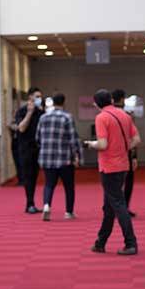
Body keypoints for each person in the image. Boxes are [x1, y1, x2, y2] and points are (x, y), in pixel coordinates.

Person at [84, 88, 138, 255]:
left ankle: (131, 243)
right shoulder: (125, 115)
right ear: (111, 100)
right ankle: (101, 242)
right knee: (109, 205)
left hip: (109, 167)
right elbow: (136, 139)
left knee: (118, 204)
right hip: (123, 165)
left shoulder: (102, 117)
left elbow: (102, 144)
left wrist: (90, 144)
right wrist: (122, 149)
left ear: (97, 104)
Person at [35, 92, 81, 221]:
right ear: (64, 102)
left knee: (49, 184)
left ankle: (46, 205)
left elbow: (37, 138)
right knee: (69, 186)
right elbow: (72, 139)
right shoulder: (67, 117)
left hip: (47, 158)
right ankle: (68, 212)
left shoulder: (43, 117)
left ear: (53, 102)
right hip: (64, 158)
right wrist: (76, 155)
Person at [13, 87, 45, 213]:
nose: (39, 99)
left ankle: (32, 203)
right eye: (37, 96)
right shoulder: (22, 111)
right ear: (30, 97)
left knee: (34, 176)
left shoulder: (41, 112)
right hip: (25, 148)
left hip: (38, 148)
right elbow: (21, 128)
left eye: (40, 97)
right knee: (28, 176)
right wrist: (29, 113)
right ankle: (29, 203)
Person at [112, 88, 138, 216]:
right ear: (123, 99)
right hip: (126, 153)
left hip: (112, 154)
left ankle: (114, 207)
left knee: (114, 182)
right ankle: (124, 207)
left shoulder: (108, 115)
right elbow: (133, 138)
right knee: (128, 181)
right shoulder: (127, 116)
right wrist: (134, 157)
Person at [6, 90, 29, 185]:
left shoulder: (22, 121)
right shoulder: (13, 121)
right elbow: (9, 126)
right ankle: (20, 179)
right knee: (16, 161)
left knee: (21, 162)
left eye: (16, 112)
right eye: (14, 112)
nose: (15, 114)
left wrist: (14, 127)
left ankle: (24, 179)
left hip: (21, 143)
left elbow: (19, 128)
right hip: (14, 143)